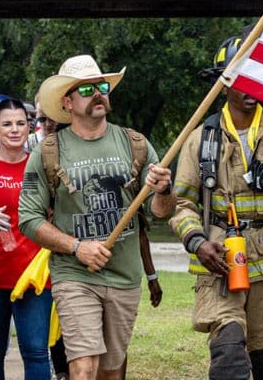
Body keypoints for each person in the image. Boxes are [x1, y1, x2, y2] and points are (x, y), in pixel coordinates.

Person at [161, 34, 263, 380]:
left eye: (256, 75)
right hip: (219, 264)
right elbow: (182, 203)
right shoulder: (200, 141)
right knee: (229, 353)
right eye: (239, 77)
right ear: (223, 85)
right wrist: (197, 242)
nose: (249, 86)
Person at [18, 55, 174, 380]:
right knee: (83, 366)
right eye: (87, 89)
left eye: (101, 86)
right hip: (75, 274)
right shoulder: (46, 152)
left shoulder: (137, 145)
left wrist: (163, 190)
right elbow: (29, 219)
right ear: (67, 102)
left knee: (110, 371)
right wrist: (77, 247)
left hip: (124, 277)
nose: (98, 93)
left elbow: (161, 212)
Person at [0, 98, 53, 380]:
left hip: (33, 276)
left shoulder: (41, 167)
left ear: (30, 128)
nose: (14, 129)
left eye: (21, 123)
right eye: (7, 124)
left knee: (36, 352)